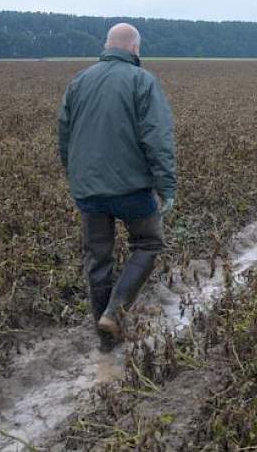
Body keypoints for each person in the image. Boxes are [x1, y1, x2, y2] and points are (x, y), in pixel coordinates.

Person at [57, 22, 177, 350]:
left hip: (88, 190)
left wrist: (77, 176)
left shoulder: (79, 81)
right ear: (135, 49)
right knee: (149, 243)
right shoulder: (142, 81)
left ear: (107, 45)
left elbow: (64, 135)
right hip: (131, 187)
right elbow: (158, 137)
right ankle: (115, 311)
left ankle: (104, 341)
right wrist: (166, 186)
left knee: (98, 258)